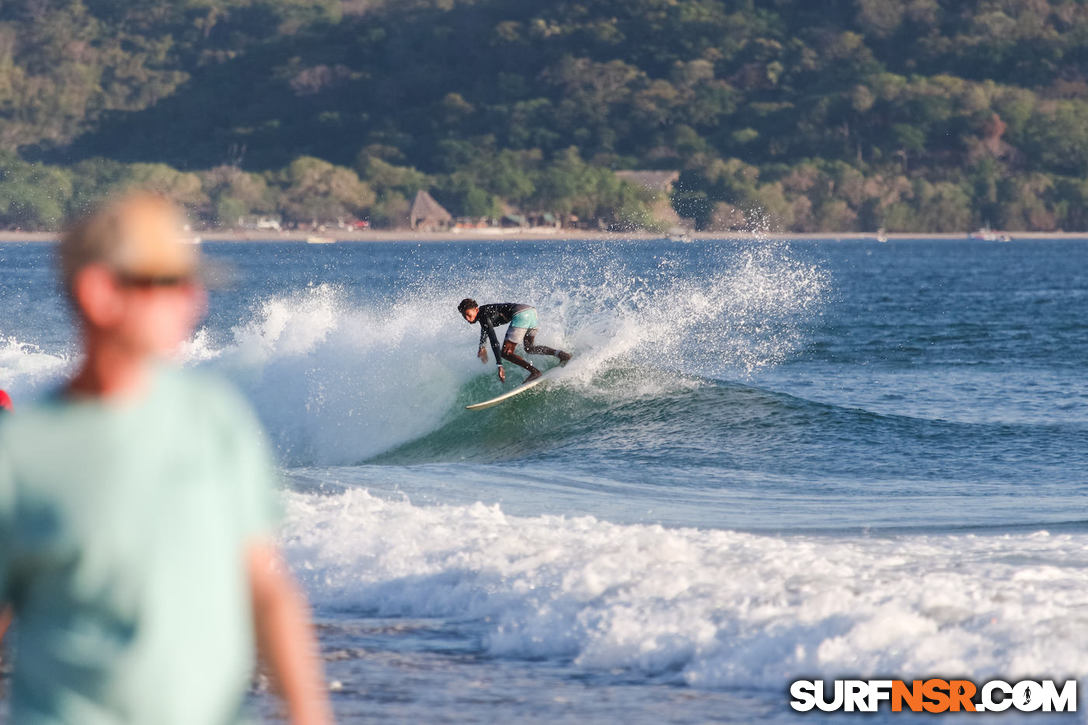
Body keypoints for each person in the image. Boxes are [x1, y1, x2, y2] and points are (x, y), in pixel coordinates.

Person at [0, 194, 332, 724]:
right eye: (169, 284)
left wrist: (309, 714)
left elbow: (266, 589)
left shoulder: (214, 418)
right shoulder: (22, 452)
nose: (194, 303)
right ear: (101, 293)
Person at [457, 298, 571, 383]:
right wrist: (482, 346)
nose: (467, 318)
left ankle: (535, 372)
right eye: (464, 316)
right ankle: (561, 355)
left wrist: (499, 365)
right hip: (530, 311)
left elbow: (494, 340)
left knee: (506, 353)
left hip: (520, 315)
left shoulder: (483, 316)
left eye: (468, 314)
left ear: (476, 309)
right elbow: (485, 328)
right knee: (529, 348)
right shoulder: (483, 313)